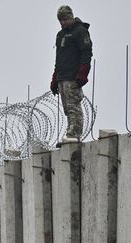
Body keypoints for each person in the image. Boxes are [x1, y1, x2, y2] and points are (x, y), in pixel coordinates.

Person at [50, 5, 92, 145]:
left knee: (73, 106)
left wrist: (83, 73)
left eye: (65, 19)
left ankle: (74, 135)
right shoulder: (60, 35)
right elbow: (59, 58)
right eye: (60, 20)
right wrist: (55, 78)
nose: (62, 23)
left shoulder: (80, 32)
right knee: (67, 108)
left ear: (70, 17)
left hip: (73, 76)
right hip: (62, 76)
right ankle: (70, 132)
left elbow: (86, 53)